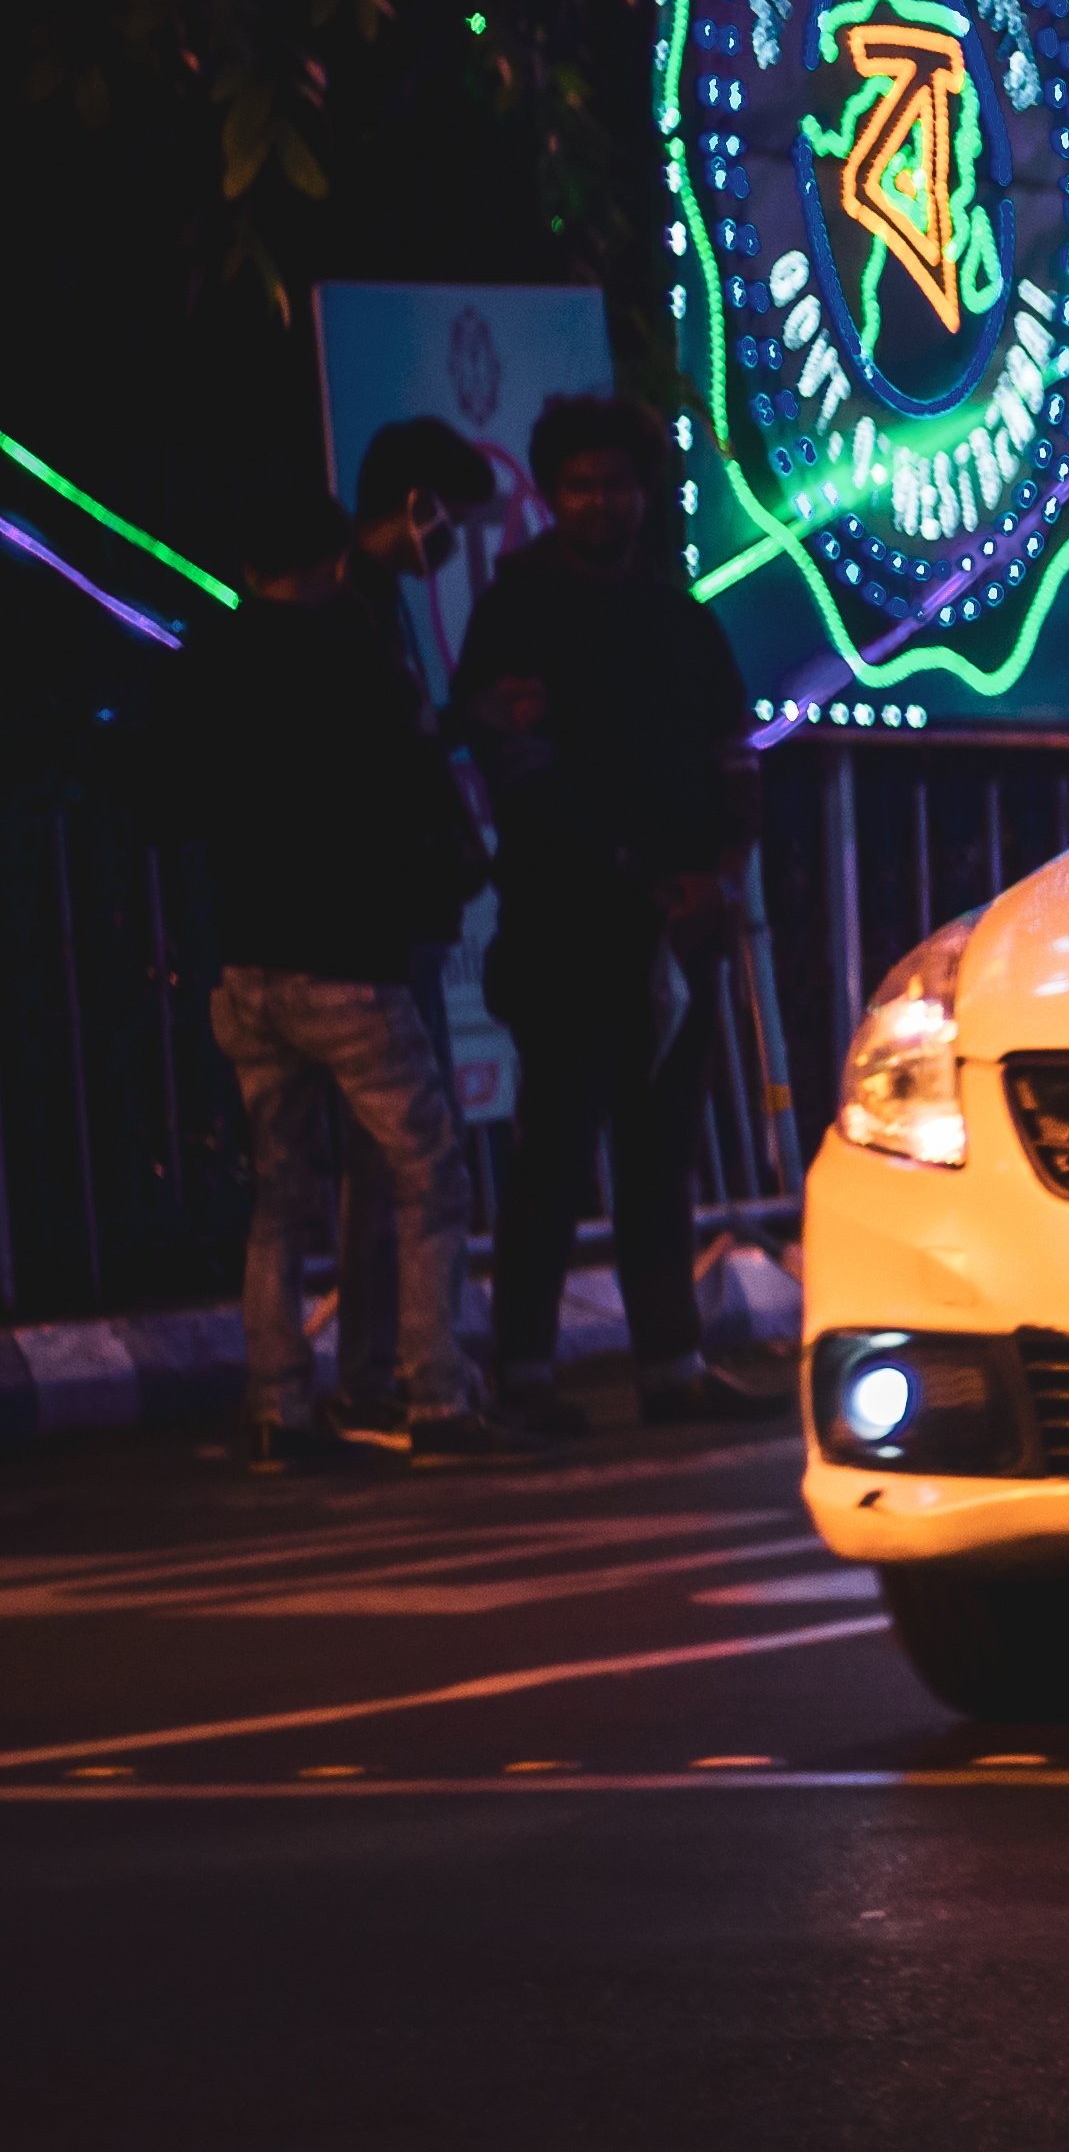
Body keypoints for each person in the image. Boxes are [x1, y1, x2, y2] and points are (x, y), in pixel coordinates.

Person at [154, 478, 500, 1471]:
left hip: (247, 959)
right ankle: (435, 1393)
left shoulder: (204, 658)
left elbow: (170, 802)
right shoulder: (353, 657)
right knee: (426, 1173)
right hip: (349, 958)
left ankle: (278, 1406)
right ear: (328, 558)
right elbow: (404, 786)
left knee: (279, 1191)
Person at [454, 394, 760, 1431]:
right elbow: (519, 765)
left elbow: (733, 747)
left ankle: (671, 1364)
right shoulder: (518, 610)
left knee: (658, 1151)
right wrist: (634, 870)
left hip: (679, 928)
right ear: (547, 491)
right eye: (582, 485)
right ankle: (525, 1374)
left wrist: (717, 865)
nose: (602, 503)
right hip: (566, 926)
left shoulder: (679, 613)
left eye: (618, 483)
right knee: (555, 1150)